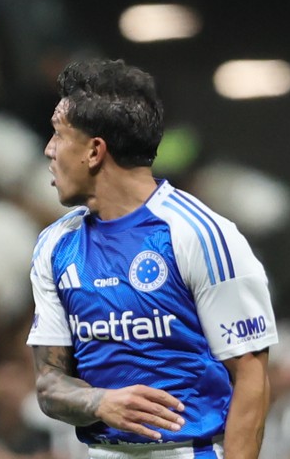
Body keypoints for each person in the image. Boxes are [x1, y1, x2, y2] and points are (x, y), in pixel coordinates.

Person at [26, 58, 277, 459]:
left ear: (94, 151)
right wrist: (100, 402)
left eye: (58, 135)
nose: (48, 150)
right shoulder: (55, 245)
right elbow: (48, 385)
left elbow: (251, 377)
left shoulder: (200, 235)